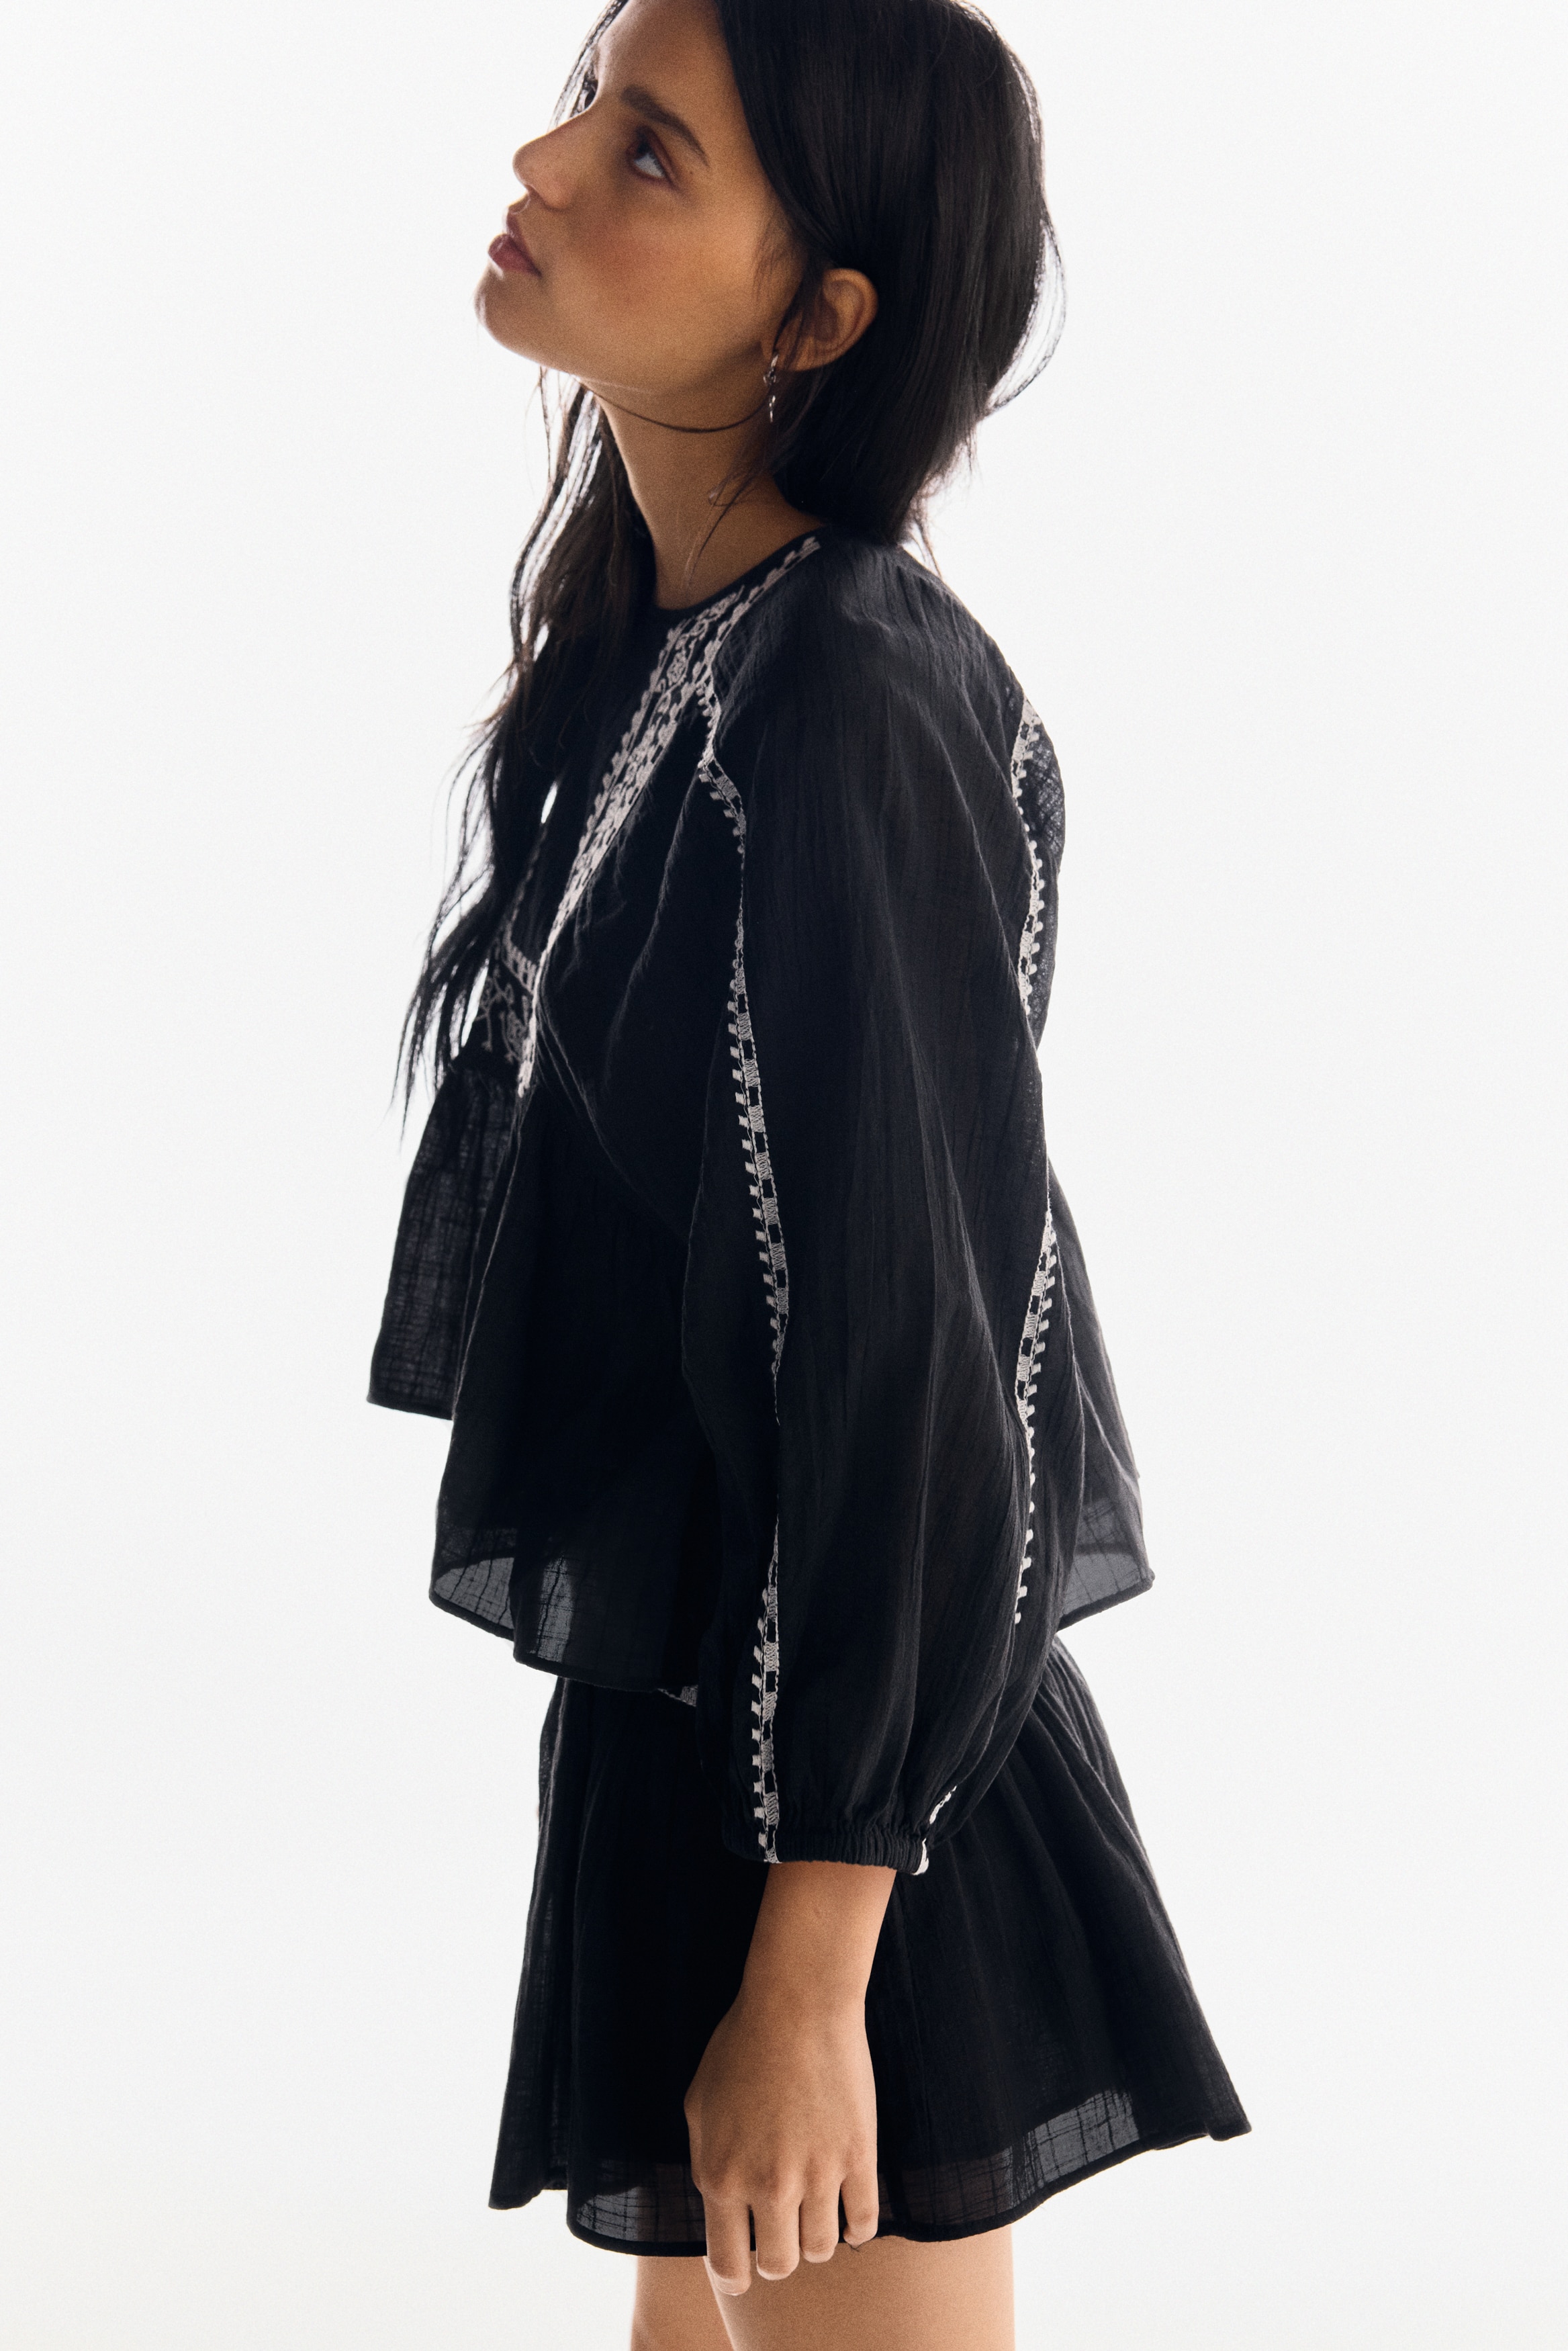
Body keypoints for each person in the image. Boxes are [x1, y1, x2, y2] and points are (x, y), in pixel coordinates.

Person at [369, 0, 1249, 2342]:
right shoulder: (675, 657)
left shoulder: (845, 687)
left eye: (649, 151)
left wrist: (816, 1960)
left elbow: (917, 1346)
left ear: (819, 318)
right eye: (592, 105)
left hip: (844, 1830)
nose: (545, 162)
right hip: (711, 1759)